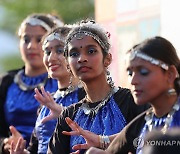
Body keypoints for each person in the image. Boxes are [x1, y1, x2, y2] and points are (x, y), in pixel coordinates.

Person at [47, 19, 149, 154]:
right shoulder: (68, 116)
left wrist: (104, 142)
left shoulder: (131, 101)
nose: (81, 59)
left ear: (107, 59)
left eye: (91, 51)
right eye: (74, 54)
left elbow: (150, 142)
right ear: (68, 65)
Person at [86, 36, 180, 154]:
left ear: (170, 74)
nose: (133, 81)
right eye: (130, 73)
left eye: (143, 72)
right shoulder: (142, 122)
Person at [0, 13, 62, 153]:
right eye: (26, 39)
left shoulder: (62, 81)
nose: (31, 46)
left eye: (39, 39)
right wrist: (5, 144)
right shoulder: (6, 82)